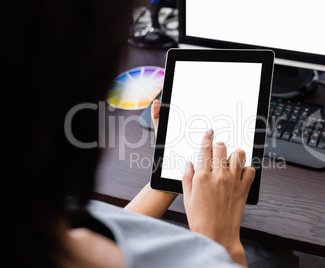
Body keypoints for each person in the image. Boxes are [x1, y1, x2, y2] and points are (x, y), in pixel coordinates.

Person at [2, 1, 299, 267]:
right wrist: (220, 244)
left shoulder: (38, 223)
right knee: (267, 256)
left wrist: (169, 174)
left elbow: (119, 226)